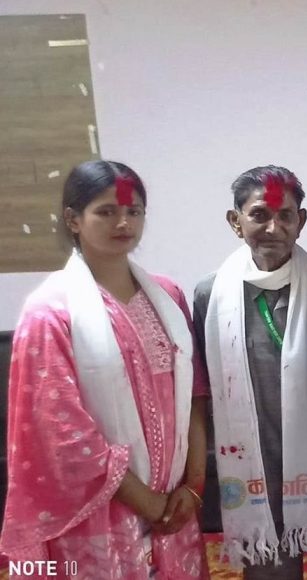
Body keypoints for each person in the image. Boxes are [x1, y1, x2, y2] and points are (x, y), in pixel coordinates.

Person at [0, 160, 210, 578]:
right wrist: (147, 502)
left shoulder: (168, 296)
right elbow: (62, 432)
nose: (123, 222)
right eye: (106, 211)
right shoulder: (50, 312)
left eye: (134, 211)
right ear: (73, 219)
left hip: (175, 501)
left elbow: (194, 395)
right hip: (102, 512)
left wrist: (194, 486)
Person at [193, 166, 307, 578]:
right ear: (235, 221)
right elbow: (204, 388)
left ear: (300, 221)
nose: (273, 227)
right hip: (254, 469)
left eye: (285, 215)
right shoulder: (210, 295)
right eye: (259, 215)